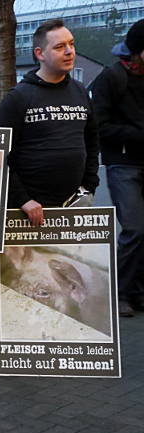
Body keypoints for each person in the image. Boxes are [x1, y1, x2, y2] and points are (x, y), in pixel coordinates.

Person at [0, 18, 99, 227]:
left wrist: (89, 186)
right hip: (27, 212)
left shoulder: (80, 92)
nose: (69, 51)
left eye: (71, 44)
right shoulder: (18, 97)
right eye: (60, 47)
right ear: (40, 54)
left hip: (73, 207)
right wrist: (22, 200)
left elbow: (92, 143)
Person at [91, 19, 144, 317]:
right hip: (123, 163)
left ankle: (138, 291)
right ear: (137, 52)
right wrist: (137, 136)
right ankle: (121, 293)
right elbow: (100, 125)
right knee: (134, 229)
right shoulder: (110, 78)